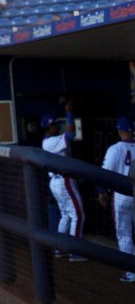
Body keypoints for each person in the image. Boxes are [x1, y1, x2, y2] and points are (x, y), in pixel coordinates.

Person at [100, 117, 135, 281]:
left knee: (124, 234)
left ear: (119, 131)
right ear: (133, 130)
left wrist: (102, 191)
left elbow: (105, 173)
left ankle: (131, 271)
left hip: (122, 196)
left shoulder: (115, 149)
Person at [41, 104, 85, 253]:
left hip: (56, 182)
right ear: (47, 128)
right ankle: (76, 251)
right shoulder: (50, 142)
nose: (57, 127)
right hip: (63, 181)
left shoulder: (49, 141)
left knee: (66, 215)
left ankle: (59, 248)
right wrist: (69, 112)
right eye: (53, 126)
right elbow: (71, 134)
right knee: (78, 216)